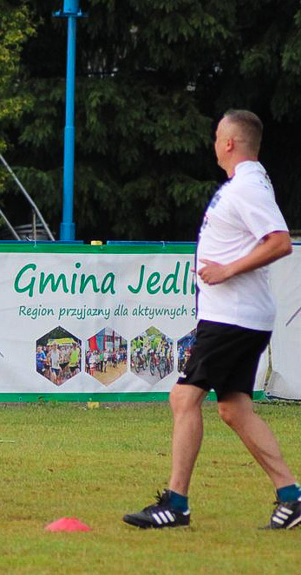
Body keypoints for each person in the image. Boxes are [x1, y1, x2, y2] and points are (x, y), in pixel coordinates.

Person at [123, 109, 300, 529]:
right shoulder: (246, 184)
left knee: (184, 398)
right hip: (238, 318)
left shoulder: (248, 188)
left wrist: (226, 270)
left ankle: (176, 505)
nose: (213, 142)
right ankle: (291, 497)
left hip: (232, 319)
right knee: (235, 409)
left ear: (229, 144)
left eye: (216, 136)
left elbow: (279, 242)